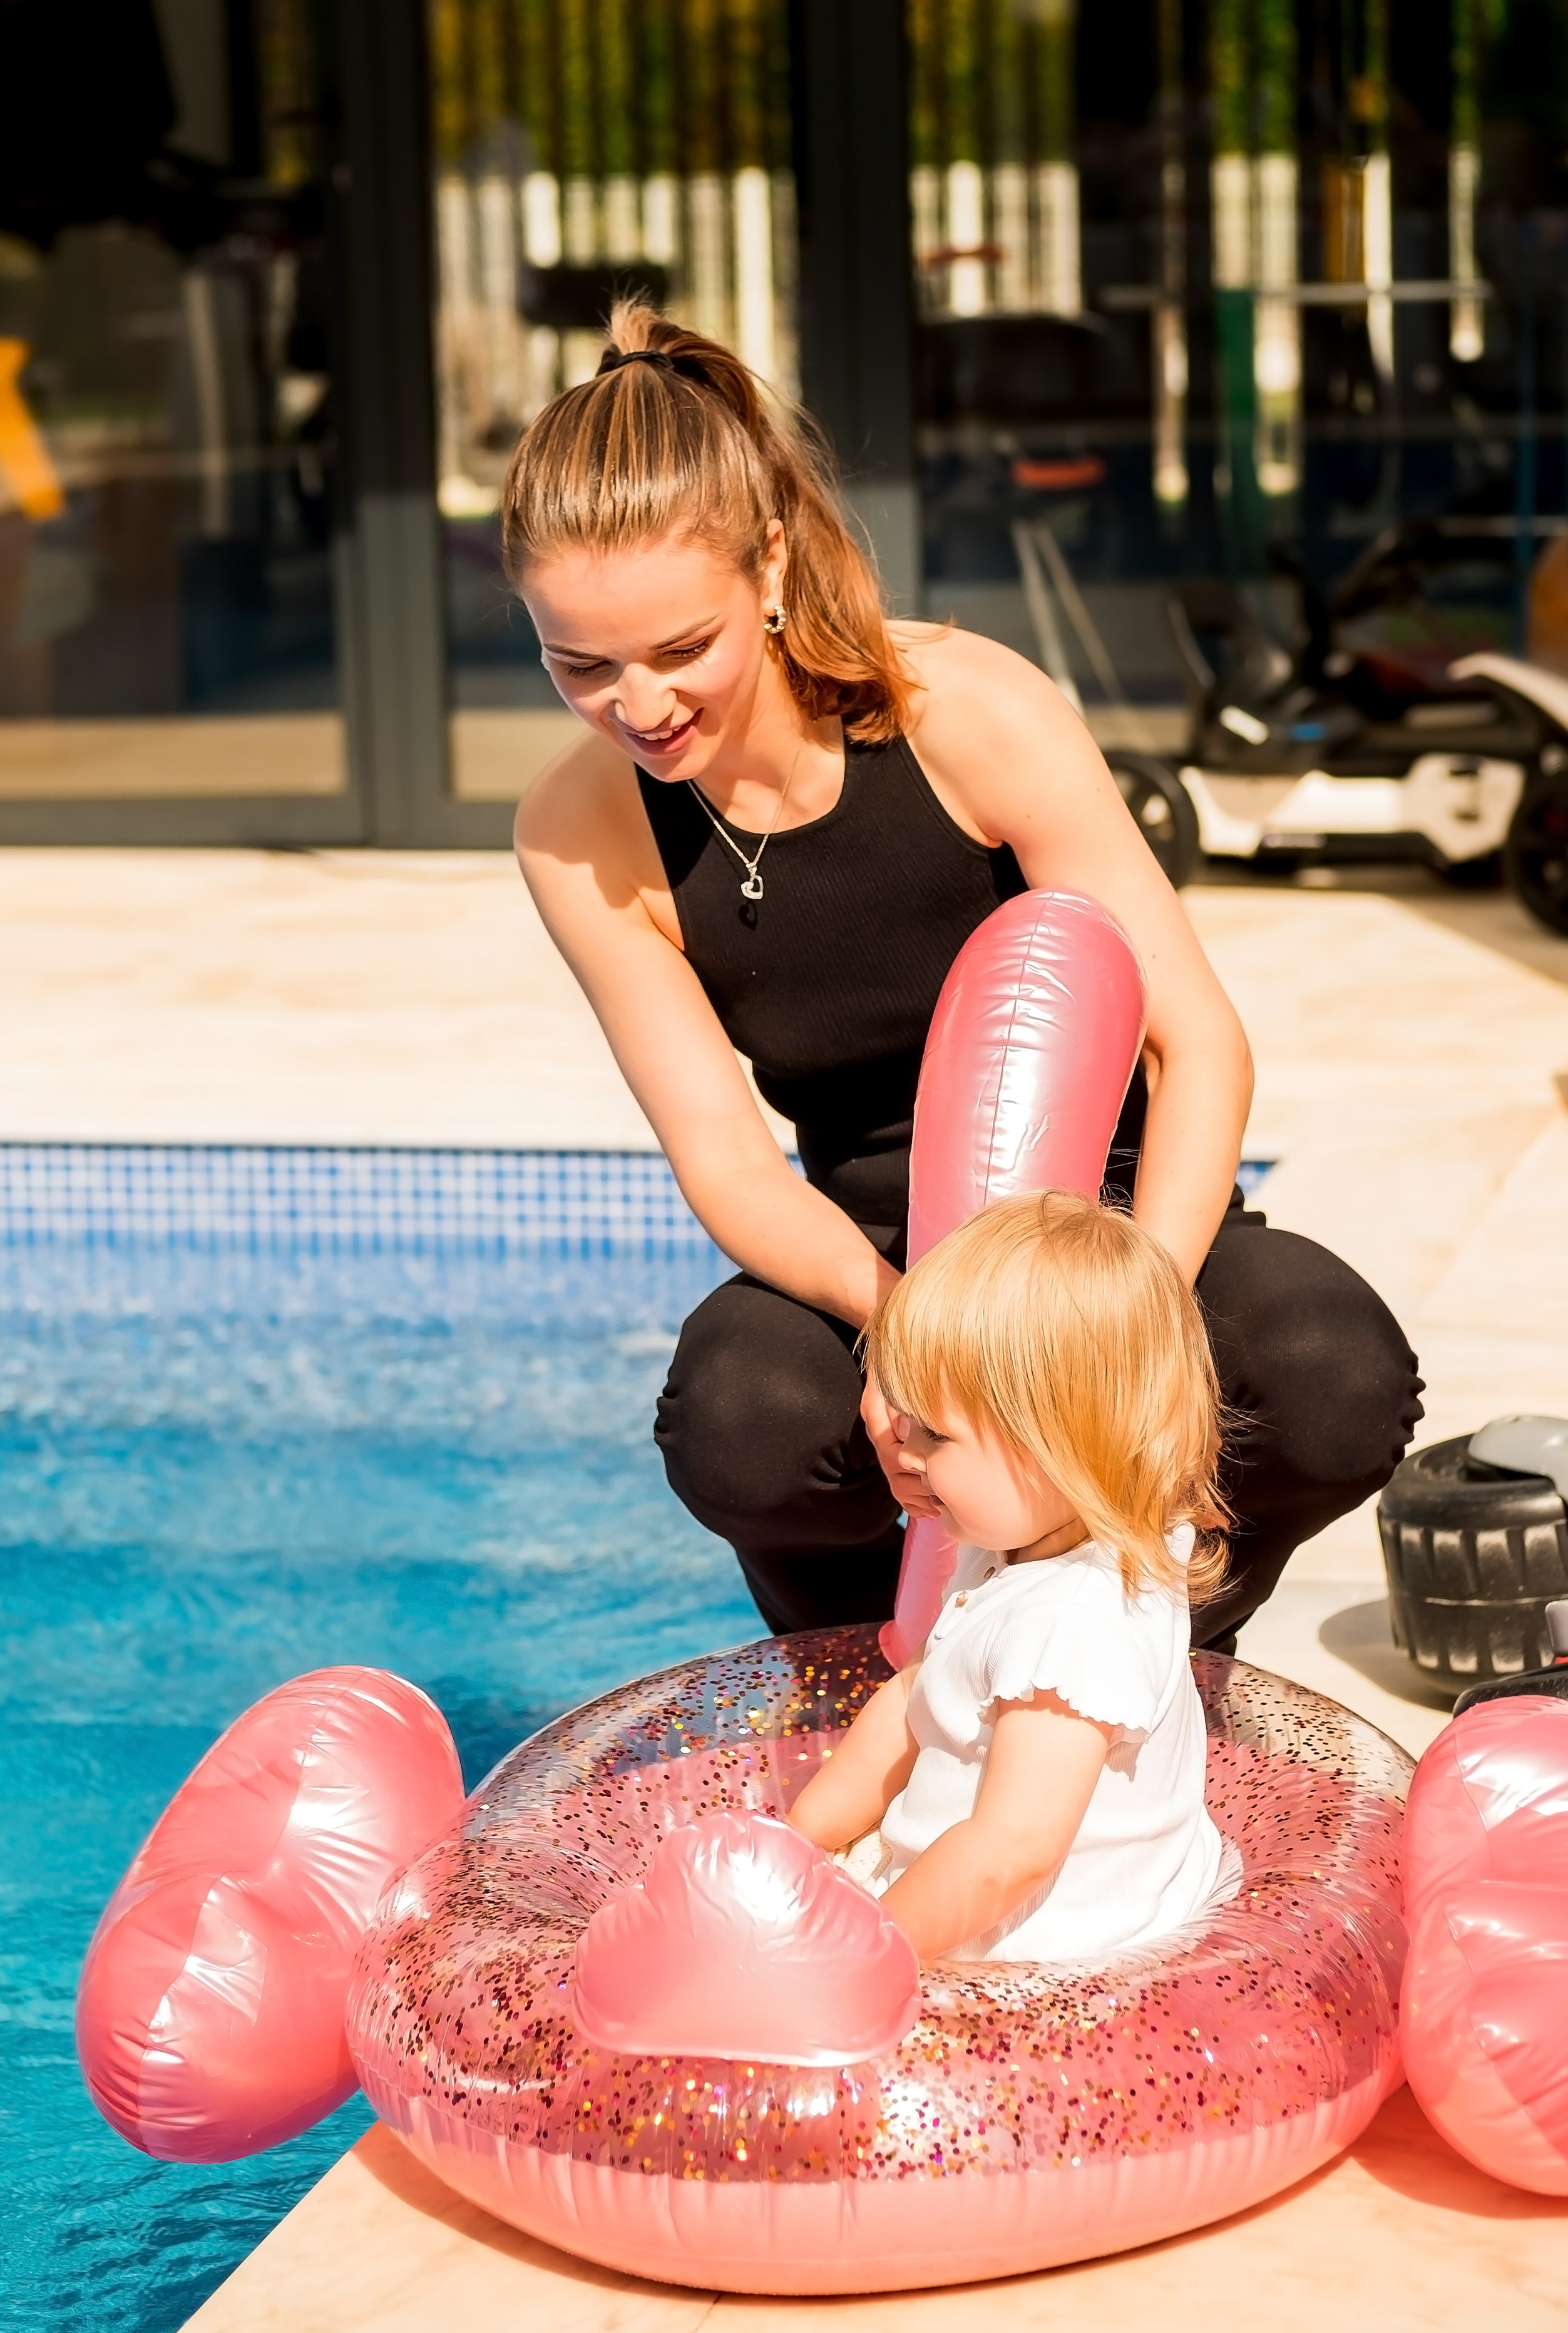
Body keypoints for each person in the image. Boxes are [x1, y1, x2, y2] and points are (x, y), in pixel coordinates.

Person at [508, 299, 1423, 1654]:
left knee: (1329, 1378)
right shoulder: (576, 829)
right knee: (738, 1422)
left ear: (767, 564)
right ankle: (847, 1683)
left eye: (678, 649)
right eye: (578, 664)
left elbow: (1196, 1049)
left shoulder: (963, 712)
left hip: (1108, 1228)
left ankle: (1172, 1644)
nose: (637, 706)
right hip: (880, 1254)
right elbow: (731, 1164)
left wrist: (1123, 1323)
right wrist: (917, 1337)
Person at [789, 1191, 1232, 1964]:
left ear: (1057, 1446)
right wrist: (795, 1842)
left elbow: (1009, 1853)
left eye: (932, 1433)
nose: (903, 1449)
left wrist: (856, 1963)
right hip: (957, 1896)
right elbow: (915, 1699)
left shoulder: (1077, 1621)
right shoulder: (1025, 1534)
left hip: (1035, 1957)